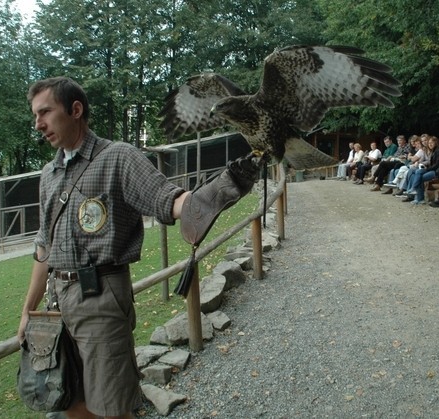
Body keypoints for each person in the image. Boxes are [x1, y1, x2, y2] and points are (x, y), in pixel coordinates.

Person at [17, 77, 259, 419]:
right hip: (57, 305)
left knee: (113, 408)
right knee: (70, 399)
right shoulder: (49, 174)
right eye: (35, 115)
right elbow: (44, 247)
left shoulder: (118, 157)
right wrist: (30, 309)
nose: (38, 124)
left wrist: (207, 198)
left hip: (101, 296)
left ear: (75, 110)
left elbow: (166, 199)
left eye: (45, 112)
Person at [402, 136, 439, 204]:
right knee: (415, 173)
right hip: (433, 170)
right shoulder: (434, 151)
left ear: (436, 143)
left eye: (432, 142)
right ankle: (416, 196)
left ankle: (418, 195)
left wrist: (427, 169)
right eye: (429, 143)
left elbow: (437, 164)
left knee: (420, 176)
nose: (430, 144)